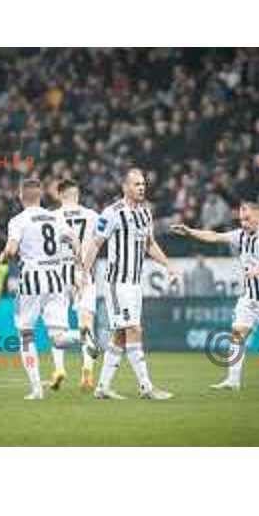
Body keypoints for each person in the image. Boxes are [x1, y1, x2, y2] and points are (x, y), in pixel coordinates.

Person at [171, 202, 259, 391]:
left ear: (258, 217)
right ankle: (233, 380)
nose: (243, 223)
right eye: (241, 219)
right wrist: (190, 231)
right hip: (248, 297)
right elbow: (214, 236)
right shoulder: (240, 235)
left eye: (247, 219)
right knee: (237, 335)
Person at [83, 168, 176, 400]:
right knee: (134, 330)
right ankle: (146, 387)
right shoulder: (112, 213)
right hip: (117, 283)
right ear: (125, 187)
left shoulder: (145, 213)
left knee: (121, 336)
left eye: (143, 183)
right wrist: (82, 272)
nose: (142, 187)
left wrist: (169, 265)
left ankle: (102, 387)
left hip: (135, 284)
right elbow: (95, 244)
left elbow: (150, 244)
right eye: (136, 184)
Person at [0, 179, 82, 399]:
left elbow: (12, 249)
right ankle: (84, 336)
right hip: (56, 278)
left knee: (26, 334)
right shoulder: (56, 217)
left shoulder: (18, 220)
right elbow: (73, 238)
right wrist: (78, 260)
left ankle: (36, 389)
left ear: (21, 196)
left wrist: (3, 256)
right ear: (40, 196)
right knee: (58, 337)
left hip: (32, 280)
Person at [54, 178, 101, 391]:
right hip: (85, 273)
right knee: (86, 321)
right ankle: (87, 371)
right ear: (77, 194)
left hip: (59, 274)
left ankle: (59, 368)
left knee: (58, 326)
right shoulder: (92, 215)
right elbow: (102, 239)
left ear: (59, 195)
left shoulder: (52, 217)